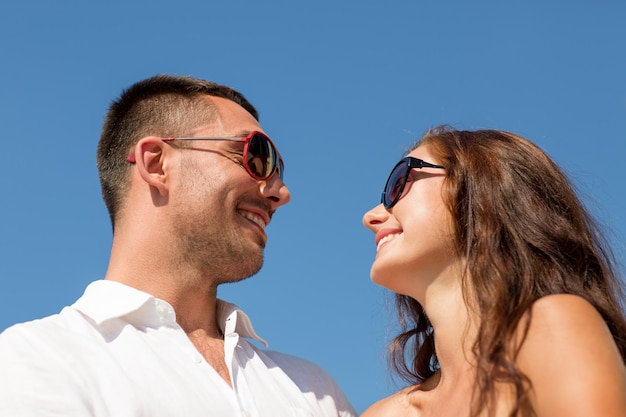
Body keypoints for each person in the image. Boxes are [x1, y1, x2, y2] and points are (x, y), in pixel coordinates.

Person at [0, 74, 357, 417]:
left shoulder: (313, 389)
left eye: (278, 168)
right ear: (156, 164)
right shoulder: (35, 360)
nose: (281, 192)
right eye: (257, 156)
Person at [361, 126, 626, 417]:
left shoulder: (552, 324)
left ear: (481, 188)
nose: (370, 217)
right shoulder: (385, 413)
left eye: (399, 182)